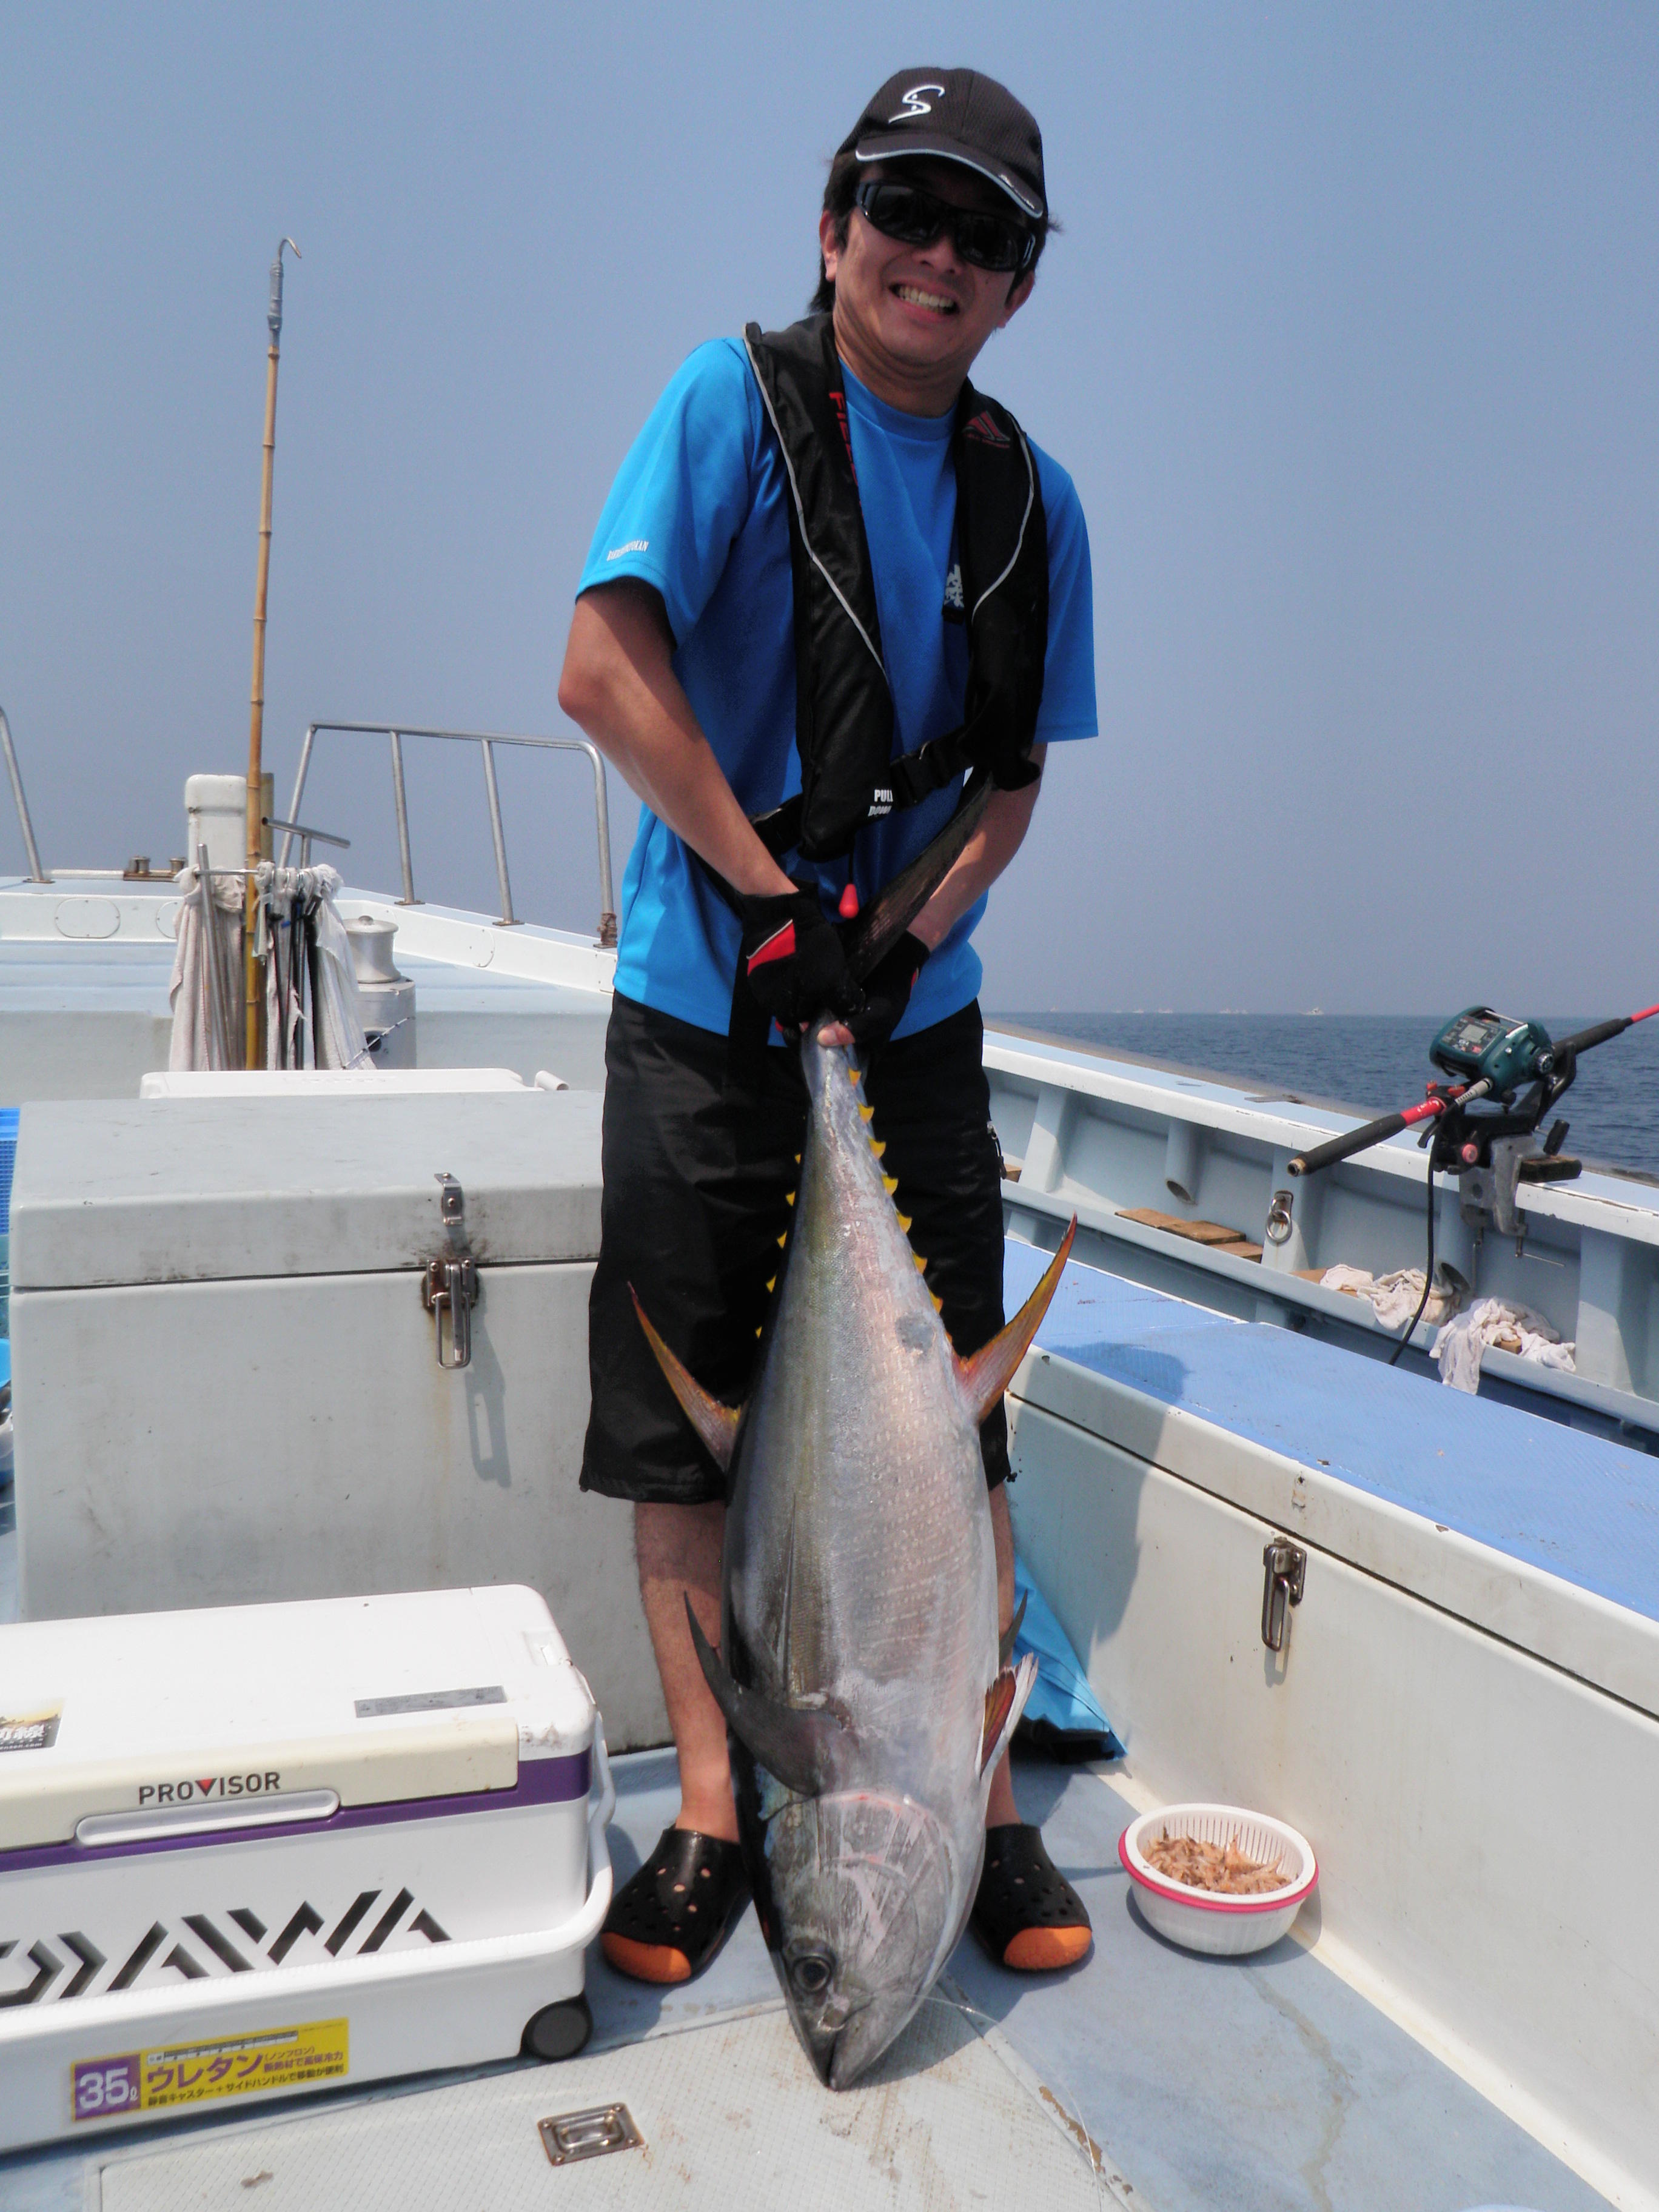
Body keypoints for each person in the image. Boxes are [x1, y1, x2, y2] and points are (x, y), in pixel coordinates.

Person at [558, 67, 1098, 1987]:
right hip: (708, 1001)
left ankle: (995, 1801)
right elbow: (602, 669)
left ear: (1019, 284)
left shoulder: (1034, 502)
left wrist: (899, 940)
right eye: (904, 211)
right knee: (687, 1433)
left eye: (984, 234)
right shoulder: (731, 404)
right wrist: (776, 907)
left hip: (904, 1017)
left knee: (963, 1424)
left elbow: (1011, 786)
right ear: (833, 225)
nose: (935, 256)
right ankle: (721, 1808)